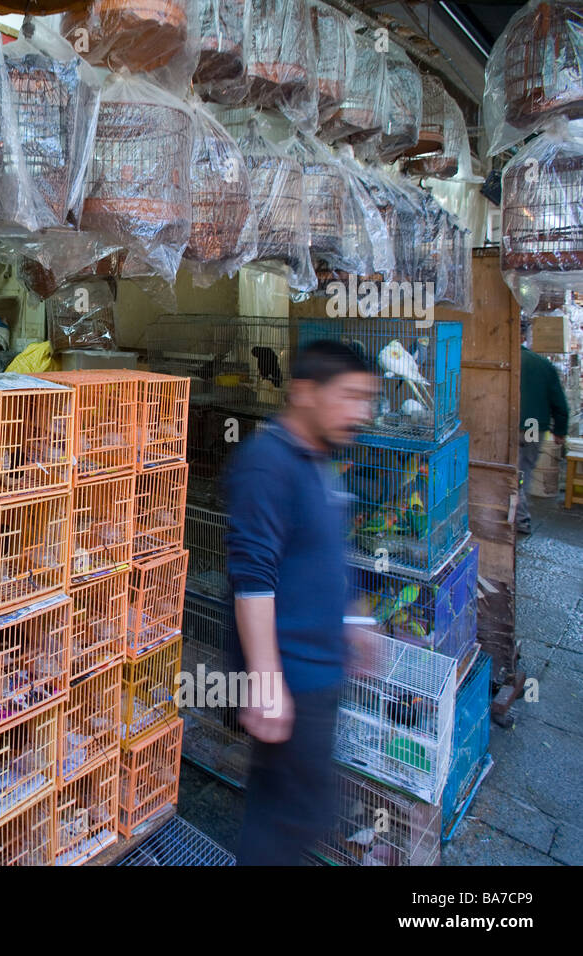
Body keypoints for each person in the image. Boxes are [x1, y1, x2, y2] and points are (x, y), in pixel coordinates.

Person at [222, 340, 374, 866]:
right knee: (289, 817)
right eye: (351, 396)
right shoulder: (267, 463)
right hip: (292, 676)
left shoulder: (318, 456)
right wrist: (265, 681)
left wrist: (353, 618)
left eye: (368, 399)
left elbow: (325, 547)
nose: (362, 413)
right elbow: (253, 579)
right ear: (306, 393)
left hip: (318, 670)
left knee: (294, 807)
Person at [517, 339, 570, 534]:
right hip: (532, 427)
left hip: (508, 426)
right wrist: (560, 430)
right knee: (523, 471)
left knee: (511, 471)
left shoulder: (508, 361)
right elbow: (559, 401)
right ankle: (520, 517)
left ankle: (517, 516)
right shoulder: (543, 365)